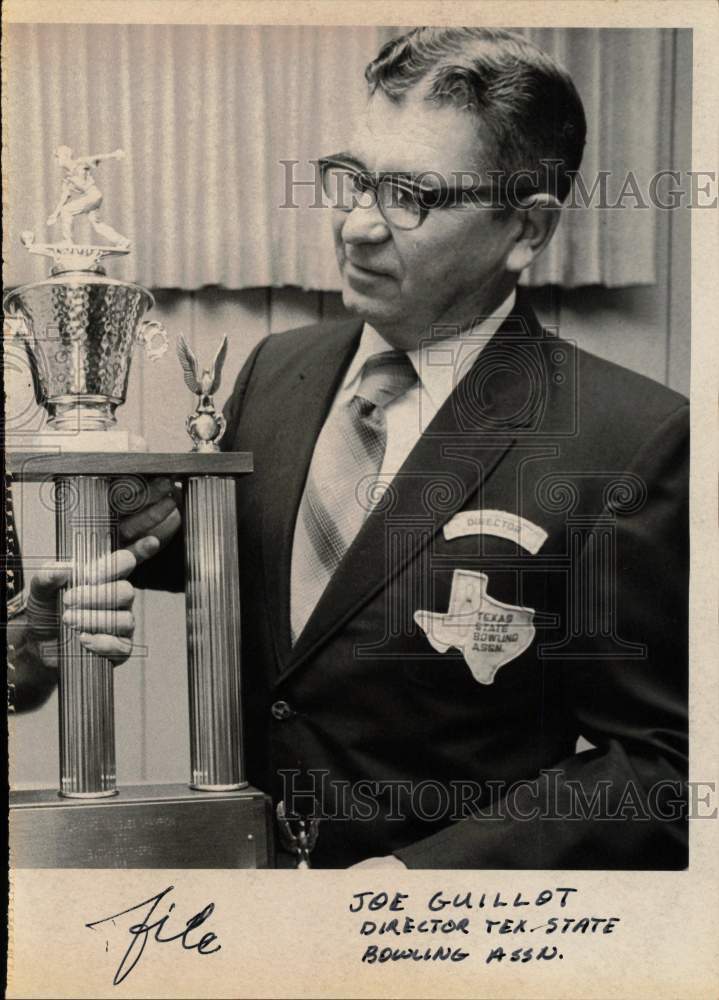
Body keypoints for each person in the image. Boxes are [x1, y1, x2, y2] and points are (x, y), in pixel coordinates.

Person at [14, 27, 688, 870]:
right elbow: (277, 593)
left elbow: (664, 770)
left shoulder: (633, 441)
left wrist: (415, 887)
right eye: (354, 179)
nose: (359, 226)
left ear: (526, 229)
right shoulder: (279, 370)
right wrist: (81, 571)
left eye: (412, 196)